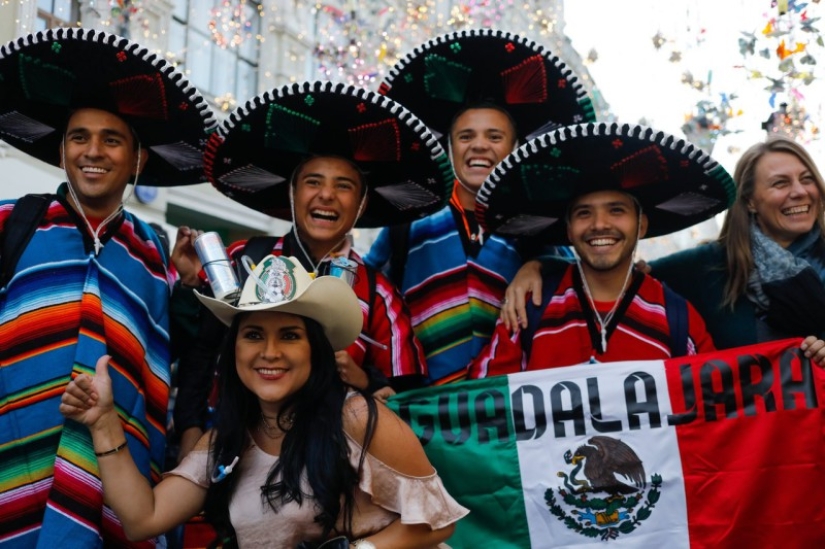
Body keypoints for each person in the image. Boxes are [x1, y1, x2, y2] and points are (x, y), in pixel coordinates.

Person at [59, 255, 469, 549]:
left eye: (289, 335)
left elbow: (437, 523)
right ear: (233, 349)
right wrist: (103, 423)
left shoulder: (358, 417)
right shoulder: (226, 440)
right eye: (253, 334)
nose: (269, 352)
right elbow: (141, 519)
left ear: (315, 350)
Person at [0, 28, 215, 547]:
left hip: (115, 477)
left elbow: (167, 359)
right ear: (61, 151)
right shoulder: (12, 223)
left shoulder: (151, 251)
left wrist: (187, 287)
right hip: (15, 463)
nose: (92, 152)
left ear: (137, 158)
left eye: (112, 139)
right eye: (79, 138)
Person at [171, 81, 453, 458]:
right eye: (313, 182)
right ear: (292, 193)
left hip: (339, 472)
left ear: (362, 203)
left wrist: (364, 379)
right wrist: (191, 438)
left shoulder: (378, 293)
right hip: (233, 458)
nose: (326, 195)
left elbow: (407, 394)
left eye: (344, 186)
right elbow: (198, 354)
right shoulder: (242, 259)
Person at [364, 29, 596, 384]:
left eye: (494, 136)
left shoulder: (536, 223)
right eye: (466, 136)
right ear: (450, 146)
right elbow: (368, 296)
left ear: (515, 147)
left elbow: (583, 280)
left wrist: (539, 264)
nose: (479, 146)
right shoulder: (409, 222)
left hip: (512, 413)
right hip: (422, 411)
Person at [501, 134, 825, 366]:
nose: (798, 192)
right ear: (751, 200)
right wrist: (540, 267)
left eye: (807, 179)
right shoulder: (709, 266)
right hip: (758, 449)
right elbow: (618, 269)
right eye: (781, 183)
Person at [467, 122, 733, 377]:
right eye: (584, 213)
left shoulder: (677, 318)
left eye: (616, 210)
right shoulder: (527, 308)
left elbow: (712, 410)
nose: (600, 224)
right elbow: (482, 404)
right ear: (569, 230)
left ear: (641, 225)